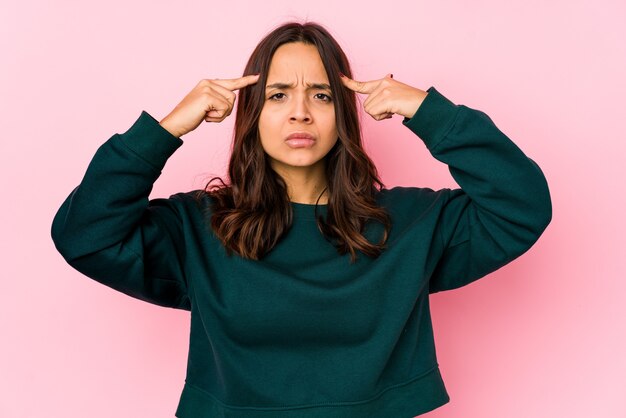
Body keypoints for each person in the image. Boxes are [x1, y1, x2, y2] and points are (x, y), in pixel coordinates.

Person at [51, 21, 552, 418]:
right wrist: (164, 130)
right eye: (276, 95)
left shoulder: (409, 222)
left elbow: (521, 206)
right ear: (250, 114)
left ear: (344, 113)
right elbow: (84, 236)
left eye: (321, 94)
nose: (300, 114)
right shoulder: (199, 228)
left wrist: (428, 111)